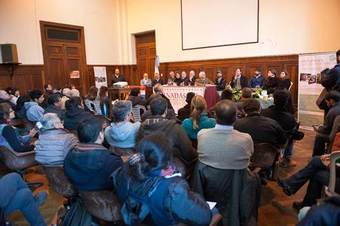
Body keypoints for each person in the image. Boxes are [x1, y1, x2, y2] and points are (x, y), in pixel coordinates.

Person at [111, 134, 212, 226]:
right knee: (215, 212)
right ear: (167, 160)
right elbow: (204, 218)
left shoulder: (124, 170)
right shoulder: (173, 188)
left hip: (134, 220)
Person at [64, 118, 123, 191]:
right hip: (105, 197)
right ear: (100, 135)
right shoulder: (112, 161)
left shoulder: (69, 154)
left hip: (81, 195)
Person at [137, 97, 197, 168]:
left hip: (147, 164)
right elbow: (188, 151)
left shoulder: (142, 126)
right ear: (165, 111)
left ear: (151, 110)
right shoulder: (175, 127)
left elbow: (139, 148)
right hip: (168, 165)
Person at [197, 99, 253, 170]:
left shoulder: (202, 135)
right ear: (236, 117)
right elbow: (250, 155)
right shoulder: (246, 139)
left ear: (214, 115)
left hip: (207, 179)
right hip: (237, 179)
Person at [262, 90, 299, 167]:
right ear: (286, 102)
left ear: (274, 100)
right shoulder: (289, 117)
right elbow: (292, 134)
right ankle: (287, 159)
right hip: (279, 143)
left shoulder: (264, 112)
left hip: (264, 140)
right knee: (291, 137)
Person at [312, 91, 340, 156]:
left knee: (319, 136)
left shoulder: (332, 111)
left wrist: (318, 128)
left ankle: (317, 157)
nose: (326, 103)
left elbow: (326, 129)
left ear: (331, 100)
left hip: (335, 136)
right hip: (337, 133)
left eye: (326, 101)